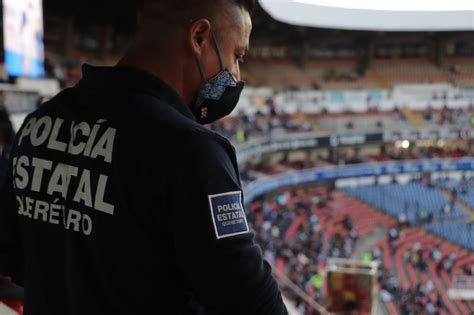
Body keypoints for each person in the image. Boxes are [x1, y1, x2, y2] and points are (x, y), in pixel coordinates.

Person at [0, 0, 288, 314]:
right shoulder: (191, 150)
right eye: (237, 55)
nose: (235, 73)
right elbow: (252, 303)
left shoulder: (40, 121)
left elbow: (15, 256)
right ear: (199, 37)